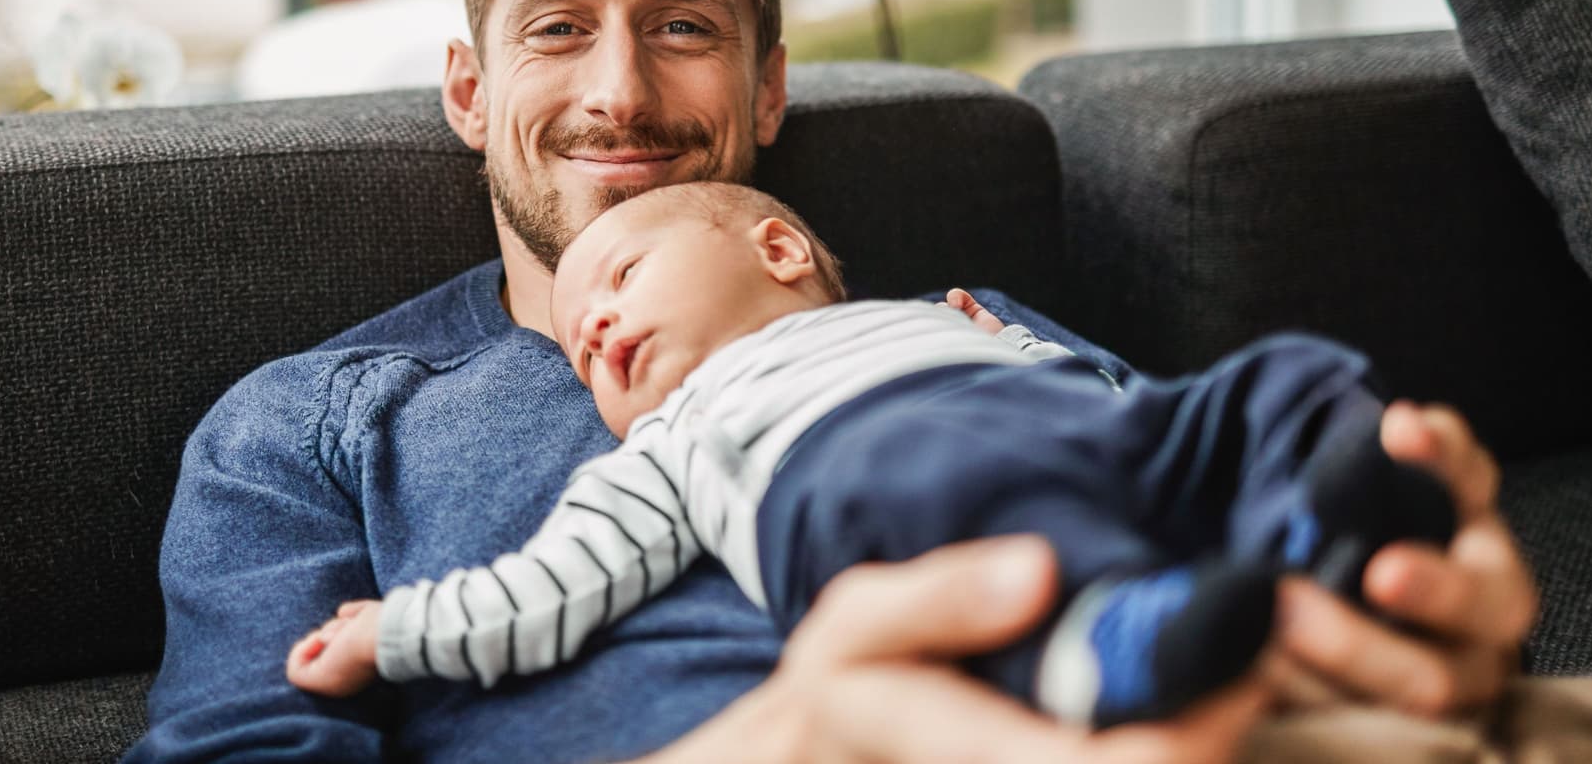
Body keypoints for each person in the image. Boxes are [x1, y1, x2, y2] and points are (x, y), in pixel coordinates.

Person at [124, 0, 1539, 764]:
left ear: (770, 88)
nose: (621, 93)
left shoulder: (960, 334)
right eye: (559, 30)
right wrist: (800, 729)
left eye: (685, 28)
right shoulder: (311, 426)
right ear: (469, 91)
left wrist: (1415, 607)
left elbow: (1222, 500)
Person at [285, 182, 1457, 729]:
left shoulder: (951, 313)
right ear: (471, 86)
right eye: (583, 343)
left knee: (1282, 375)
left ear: (780, 247)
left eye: (626, 277)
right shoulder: (674, 443)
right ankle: (1105, 652)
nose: (592, 327)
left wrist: (1026, 355)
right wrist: (394, 631)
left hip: (1075, 431)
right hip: (872, 492)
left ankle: (1319, 523)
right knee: (999, 553)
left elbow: (1110, 398)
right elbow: (544, 591)